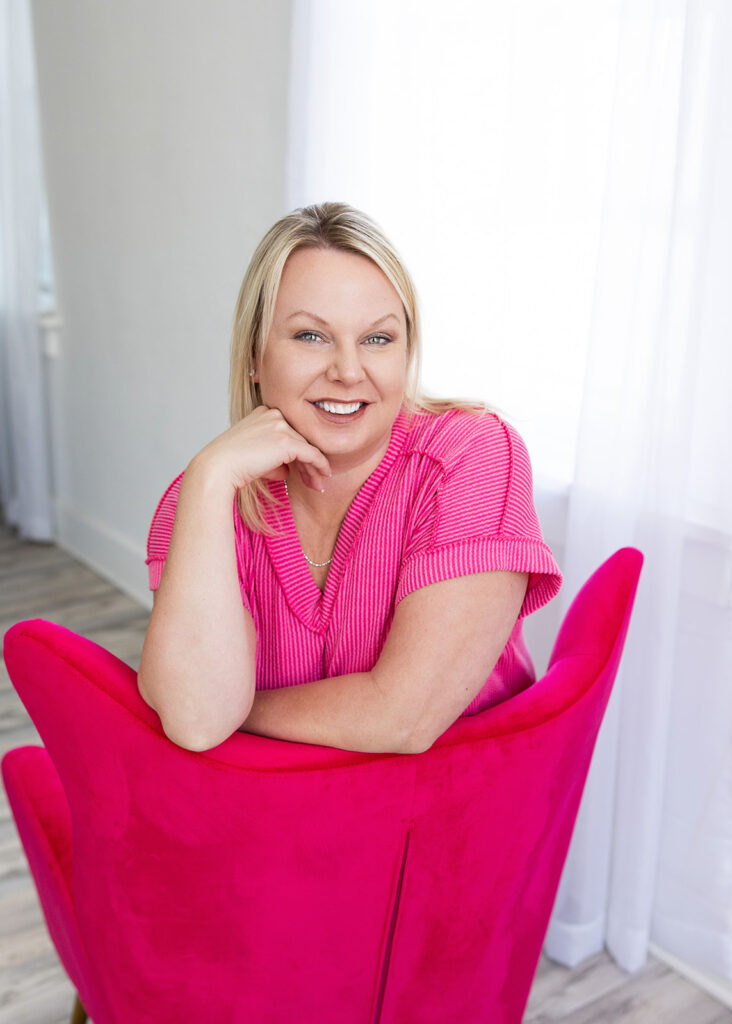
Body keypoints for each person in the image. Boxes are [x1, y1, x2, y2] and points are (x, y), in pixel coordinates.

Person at [137, 201, 562, 755]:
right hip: (282, 824)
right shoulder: (207, 495)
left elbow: (403, 719)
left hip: (450, 817)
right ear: (253, 358)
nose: (347, 370)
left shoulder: (473, 456)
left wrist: (240, 707)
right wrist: (209, 477)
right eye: (310, 336)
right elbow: (197, 719)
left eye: (378, 339)